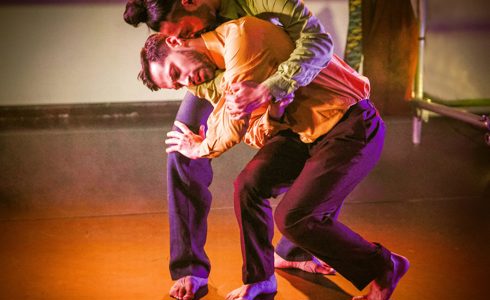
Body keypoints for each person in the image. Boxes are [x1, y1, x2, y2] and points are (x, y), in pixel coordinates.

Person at [139, 16, 410, 300]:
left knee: (294, 218)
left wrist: (202, 147)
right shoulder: (215, 74)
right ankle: (261, 278)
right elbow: (252, 133)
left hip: (350, 123)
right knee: (248, 185)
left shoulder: (240, 39)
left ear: (174, 40)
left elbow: (233, 126)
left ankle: (384, 265)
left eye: (176, 72)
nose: (187, 82)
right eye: (177, 83)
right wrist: (274, 115)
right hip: (304, 134)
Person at [125, 0, 336, 298]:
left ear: (191, 2)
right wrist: (213, 123)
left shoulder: (258, 3)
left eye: (185, 31)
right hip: (215, 72)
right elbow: (224, 110)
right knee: (181, 147)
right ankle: (189, 268)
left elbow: (319, 41)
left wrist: (270, 86)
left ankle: (295, 250)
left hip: (267, 65)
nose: (182, 39)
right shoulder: (185, 44)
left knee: (335, 132)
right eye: (175, 39)